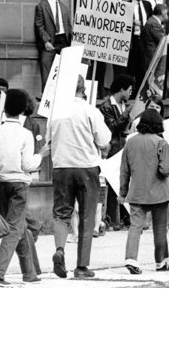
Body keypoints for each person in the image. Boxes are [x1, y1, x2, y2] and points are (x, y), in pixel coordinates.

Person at [46, 75, 111, 279]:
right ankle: (82, 266)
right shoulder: (91, 110)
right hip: (86, 167)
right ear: (84, 89)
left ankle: (60, 248)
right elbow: (104, 140)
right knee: (86, 216)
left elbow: (49, 142)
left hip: (61, 167)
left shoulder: (55, 112)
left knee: (61, 213)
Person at [0, 89, 49, 286]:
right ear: (24, 109)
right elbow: (28, 165)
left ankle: (30, 272)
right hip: (19, 184)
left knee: (21, 228)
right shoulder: (25, 134)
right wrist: (41, 155)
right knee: (13, 229)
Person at [118, 109, 169, 274]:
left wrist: (122, 192)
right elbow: (165, 170)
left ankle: (131, 259)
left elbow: (124, 171)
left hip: (137, 192)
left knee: (135, 227)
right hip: (159, 193)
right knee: (160, 228)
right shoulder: (161, 143)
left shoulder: (130, 142)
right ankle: (161, 261)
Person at [98, 74, 135, 229]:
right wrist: (126, 114)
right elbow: (112, 128)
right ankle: (113, 218)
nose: (131, 93)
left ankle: (125, 217)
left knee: (125, 182)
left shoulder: (123, 104)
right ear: (121, 89)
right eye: (129, 90)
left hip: (124, 146)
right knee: (113, 184)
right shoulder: (106, 106)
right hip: (113, 148)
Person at [34, 0, 72, 91]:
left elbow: (69, 26)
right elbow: (39, 25)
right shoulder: (42, 6)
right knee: (46, 66)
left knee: (65, 70)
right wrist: (46, 41)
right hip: (50, 41)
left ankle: (63, 93)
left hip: (64, 41)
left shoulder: (64, 7)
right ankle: (46, 95)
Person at [127, 0, 151, 91]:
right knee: (131, 67)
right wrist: (132, 22)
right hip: (133, 39)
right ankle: (131, 91)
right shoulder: (127, 5)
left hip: (145, 40)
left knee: (143, 67)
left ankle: (141, 92)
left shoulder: (147, 4)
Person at [141, 3, 168, 72]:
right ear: (163, 12)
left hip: (150, 57)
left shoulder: (152, 21)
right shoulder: (154, 23)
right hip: (153, 58)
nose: (167, 15)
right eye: (166, 12)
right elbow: (163, 41)